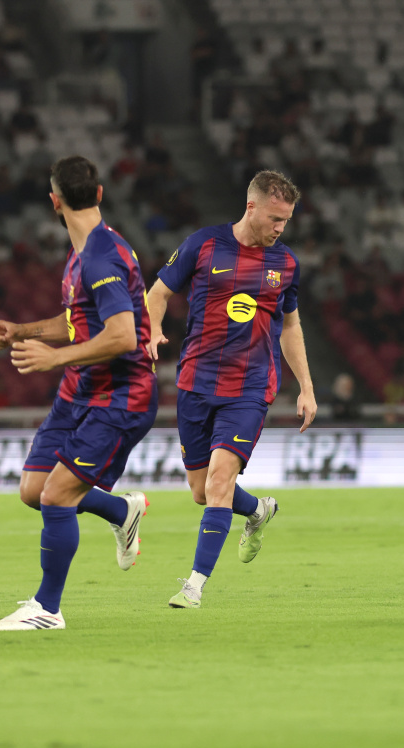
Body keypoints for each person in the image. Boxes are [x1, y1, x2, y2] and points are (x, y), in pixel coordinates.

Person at [0, 155, 158, 630]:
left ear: (53, 201)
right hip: (80, 391)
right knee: (34, 490)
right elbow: (77, 321)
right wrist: (23, 331)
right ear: (99, 194)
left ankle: (47, 609)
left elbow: (123, 335)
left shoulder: (102, 256)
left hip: (120, 395)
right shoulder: (84, 252)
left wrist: (54, 357)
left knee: (57, 497)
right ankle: (121, 509)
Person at [145, 170, 317, 609]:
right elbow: (157, 294)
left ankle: (194, 585)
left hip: (251, 387)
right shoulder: (203, 244)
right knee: (202, 492)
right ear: (252, 206)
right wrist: (152, 331)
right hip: (195, 384)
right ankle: (258, 510)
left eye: (287, 221)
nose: (281, 228)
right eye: (276, 218)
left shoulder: (286, 264)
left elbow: (291, 326)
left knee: (220, 483)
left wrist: (306, 387)